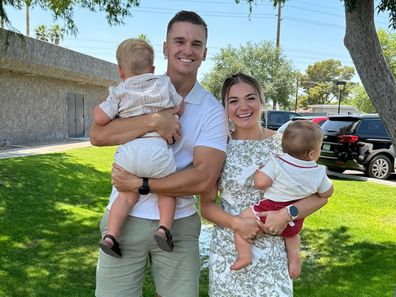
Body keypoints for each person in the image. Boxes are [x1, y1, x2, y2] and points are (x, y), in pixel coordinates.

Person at [90, 11, 228, 297]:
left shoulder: (213, 110)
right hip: (124, 220)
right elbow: (97, 135)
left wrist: (142, 185)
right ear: (165, 47)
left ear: (205, 52)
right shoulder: (133, 88)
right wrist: (154, 122)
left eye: (196, 44)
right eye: (179, 41)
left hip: (179, 222)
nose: (187, 50)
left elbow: (203, 178)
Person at [200, 73, 329, 297]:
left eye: (250, 98)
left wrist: (286, 214)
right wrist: (237, 223)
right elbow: (207, 206)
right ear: (225, 107)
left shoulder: (285, 143)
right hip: (230, 248)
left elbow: (320, 195)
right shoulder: (218, 145)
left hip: (276, 250)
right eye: (233, 101)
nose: (243, 106)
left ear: (261, 100)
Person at [92, 38, 184, 256]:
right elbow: (180, 106)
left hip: (129, 153)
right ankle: (164, 229)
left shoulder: (119, 91)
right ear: (152, 69)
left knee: (125, 195)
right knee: (168, 191)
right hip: (157, 150)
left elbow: (99, 117)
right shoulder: (163, 83)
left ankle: (111, 235)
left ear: (121, 71)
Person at [231, 120, 334, 278]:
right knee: (292, 236)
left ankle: (245, 255)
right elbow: (326, 194)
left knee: (242, 220)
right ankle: (294, 257)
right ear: (312, 154)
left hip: (269, 209)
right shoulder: (318, 172)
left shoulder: (277, 163)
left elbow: (260, 184)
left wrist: (258, 173)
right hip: (296, 219)